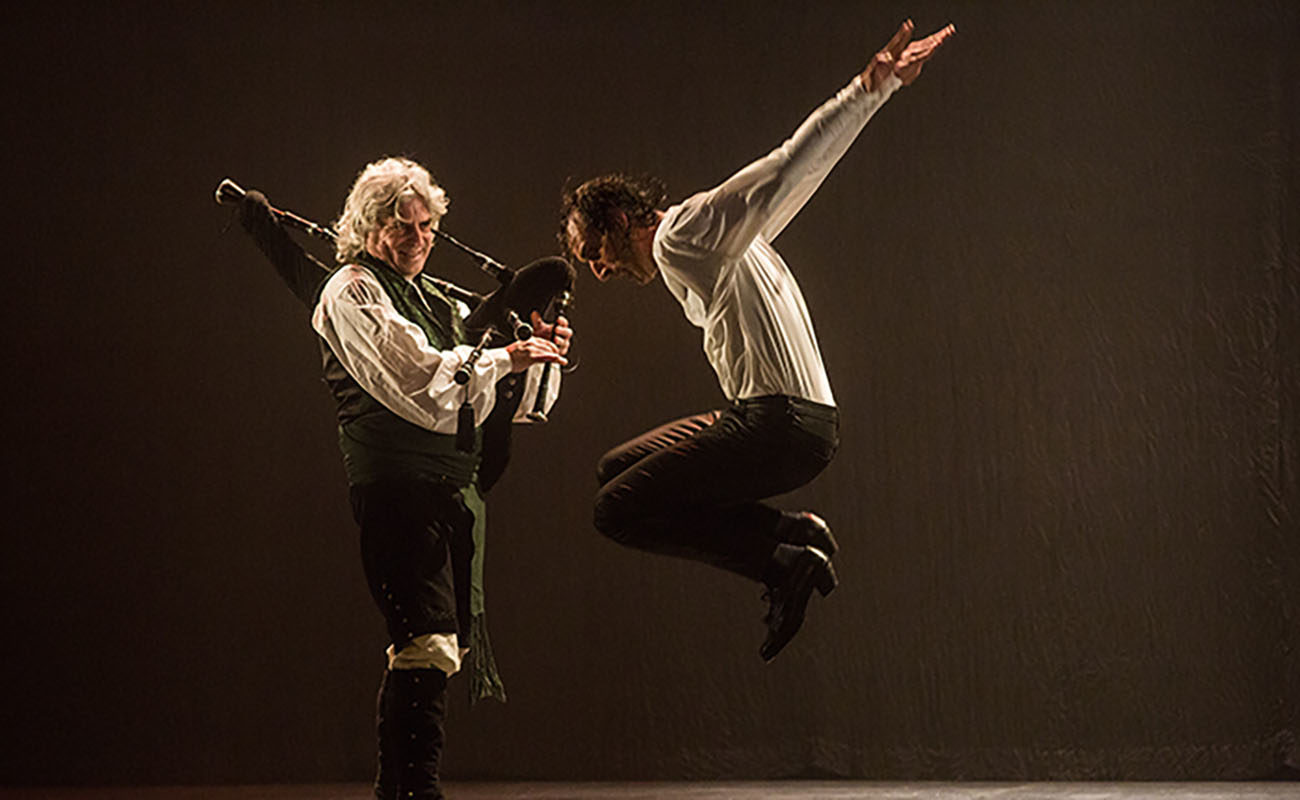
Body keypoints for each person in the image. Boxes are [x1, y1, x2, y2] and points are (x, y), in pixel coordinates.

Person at [560, 20, 953, 662]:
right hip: (788, 422)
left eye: (595, 252)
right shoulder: (724, 244)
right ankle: (793, 534)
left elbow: (783, 166)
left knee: (615, 510)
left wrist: (865, 89)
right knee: (615, 472)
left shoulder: (681, 235)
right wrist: (876, 97)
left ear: (622, 220)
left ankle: (780, 562)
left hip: (781, 427)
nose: (599, 270)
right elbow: (803, 180)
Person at [236, 157, 572, 799]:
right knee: (426, 641)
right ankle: (414, 790)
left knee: (441, 647)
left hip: (452, 486)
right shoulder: (352, 290)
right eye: (401, 226)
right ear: (367, 228)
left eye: (425, 226)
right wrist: (506, 354)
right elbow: (416, 379)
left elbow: (513, 403)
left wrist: (537, 351)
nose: (417, 238)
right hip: (394, 484)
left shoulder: (442, 299)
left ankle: (402, 790)